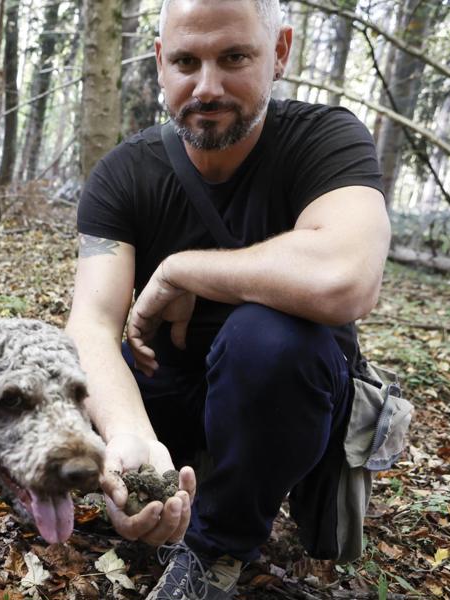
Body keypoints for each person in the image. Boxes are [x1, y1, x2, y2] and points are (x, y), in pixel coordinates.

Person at [64, 0, 391, 598]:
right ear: (161, 63)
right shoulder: (123, 174)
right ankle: (153, 483)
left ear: (281, 52)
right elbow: (90, 323)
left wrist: (186, 269)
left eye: (235, 57)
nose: (207, 86)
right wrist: (128, 435)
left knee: (268, 342)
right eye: (186, 61)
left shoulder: (326, 139)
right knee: (60, 380)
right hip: (173, 383)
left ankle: (216, 548)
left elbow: (346, 277)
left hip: (288, 389)